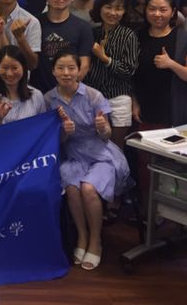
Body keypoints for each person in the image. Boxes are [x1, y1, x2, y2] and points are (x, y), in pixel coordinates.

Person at [44, 50, 129, 271]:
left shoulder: (94, 95)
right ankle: (81, 237)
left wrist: (102, 127)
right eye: (61, 68)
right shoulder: (49, 99)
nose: (66, 73)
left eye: (71, 68)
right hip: (72, 153)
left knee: (88, 188)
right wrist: (64, 133)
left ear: (79, 71)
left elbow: (107, 135)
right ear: (53, 71)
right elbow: (52, 140)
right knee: (72, 188)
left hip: (100, 153)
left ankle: (95, 239)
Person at [132, 0, 187, 129]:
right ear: (145, 10)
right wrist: (134, 101)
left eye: (163, 10)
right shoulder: (136, 36)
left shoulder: (185, 39)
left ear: (173, 12)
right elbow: (131, 75)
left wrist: (171, 64)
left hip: (171, 108)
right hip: (141, 106)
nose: (157, 14)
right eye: (152, 9)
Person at [84, 0, 139, 150]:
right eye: (108, 7)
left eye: (119, 8)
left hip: (118, 97)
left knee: (116, 147)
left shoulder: (129, 35)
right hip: (93, 96)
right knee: (94, 143)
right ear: (100, 7)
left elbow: (129, 71)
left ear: (124, 11)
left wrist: (105, 58)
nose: (113, 13)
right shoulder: (91, 32)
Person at [30, 0, 94, 93]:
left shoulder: (83, 27)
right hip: (38, 94)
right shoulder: (34, 23)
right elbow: (30, 62)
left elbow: (84, 66)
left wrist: (63, 92)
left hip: (70, 94)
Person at [0, 45, 46, 126]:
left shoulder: (36, 95)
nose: (9, 74)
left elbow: (43, 126)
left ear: (23, 68)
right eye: (4, 68)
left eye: (14, 68)